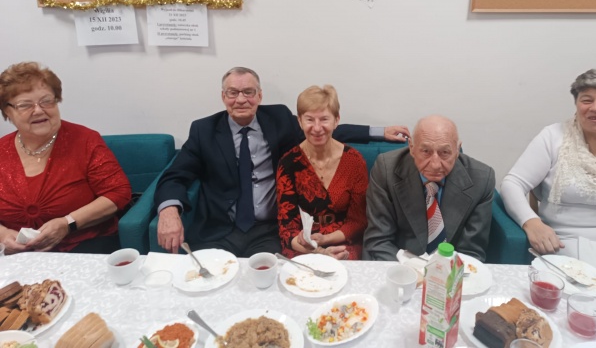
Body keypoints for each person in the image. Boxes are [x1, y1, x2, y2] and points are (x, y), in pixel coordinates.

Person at [155, 67, 409, 256]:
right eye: (233, 92)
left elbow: (321, 129)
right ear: (223, 96)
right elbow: (176, 174)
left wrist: (378, 131)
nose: (241, 99)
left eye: (248, 92)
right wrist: (168, 211)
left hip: (267, 231)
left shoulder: (278, 119)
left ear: (259, 95)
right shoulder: (204, 131)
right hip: (219, 230)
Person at [501, 68, 596, 257]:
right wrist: (531, 222)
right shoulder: (552, 137)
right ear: (576, 104)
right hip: (567, 242)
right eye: (587, 100)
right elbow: (513, 183)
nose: (595, 107)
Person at [0, 62, 131, 254]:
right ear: (7, 112)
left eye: (46, 101)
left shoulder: (85, 140)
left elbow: (118, 193)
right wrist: (3, 234)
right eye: (25, 105)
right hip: (16, 255)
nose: (38, 110)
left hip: (84, 246)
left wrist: (68, 223)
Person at [363, 115, 495, 262]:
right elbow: (379, 241)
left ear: (457, 150)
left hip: (451, 269)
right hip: (400, 265)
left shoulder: (481, 180)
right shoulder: (386, 170)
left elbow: (471, 251)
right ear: (412, 148)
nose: (435, 165)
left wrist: (444, 273)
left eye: (445, 152)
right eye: (426, 151)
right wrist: (411, 273)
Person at [276, 85, 368, 260]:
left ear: (336, 120)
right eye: (310, 120)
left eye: (324, 119)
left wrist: (326, 240)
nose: (317, 128)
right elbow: (287, 228)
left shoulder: (354, 161)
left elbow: (358, 221)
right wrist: (318, 252)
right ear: (300, 121)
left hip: (343, 241)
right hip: (302, 246)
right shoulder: (288, 163)